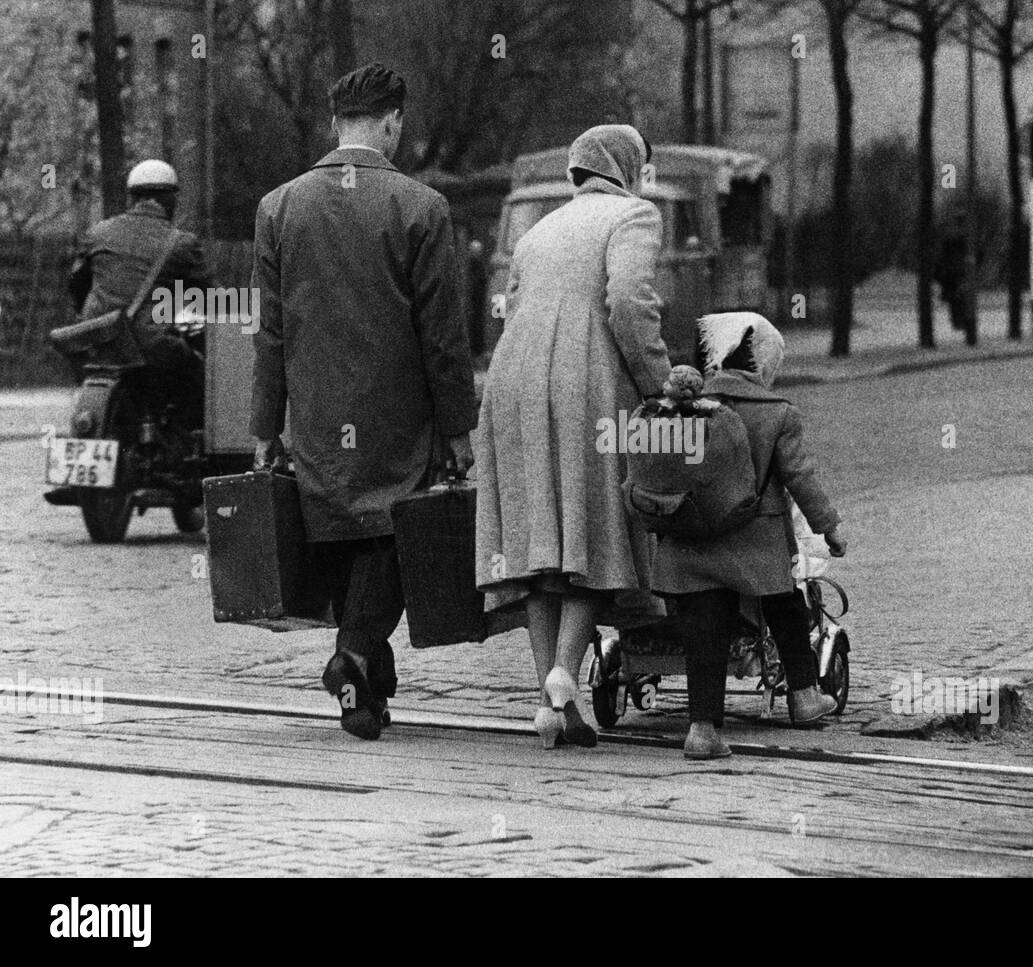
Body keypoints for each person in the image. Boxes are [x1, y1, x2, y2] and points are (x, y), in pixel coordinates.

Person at [249, 63, 478, 741]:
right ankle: (352, 658)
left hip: (318, 413)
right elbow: (443, 335)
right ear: (391, 122)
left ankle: (368, 692)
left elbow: (269, 332)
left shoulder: (278, 207)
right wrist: (458, 426)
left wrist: (265, 425)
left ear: (332, 125)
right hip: (396, 410)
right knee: (394, 535)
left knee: (345, 527)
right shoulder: (421, 208)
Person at [475, 124, 671, 750]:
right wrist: (659, 386)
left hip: (512, 382)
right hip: (586, 380)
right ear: (629, 167)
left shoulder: (536, 231)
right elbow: (629, 303)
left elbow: (511, 304)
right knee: (595, 524)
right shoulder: (634, 215)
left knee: (540, 539)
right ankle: (565, 671)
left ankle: (555, 704)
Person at [653, 313, 847, 761]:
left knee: (705, 629)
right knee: (787, 605)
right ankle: (802, 696)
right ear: (763, 362)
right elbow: (800, 478)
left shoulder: (685, 405)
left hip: (691, 544)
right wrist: (829, 528)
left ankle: (702, 729)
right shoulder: (777, 412)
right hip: (756, 545)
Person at [68, 159, 210, 428]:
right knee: (200, 375)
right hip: (152, 347)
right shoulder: (182, 243)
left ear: (132, 197)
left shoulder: (97, 234)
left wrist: (86, 316)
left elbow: (76, 285)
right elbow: (213, 299)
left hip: (96, 342)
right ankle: (184, 452)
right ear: (170, 201)